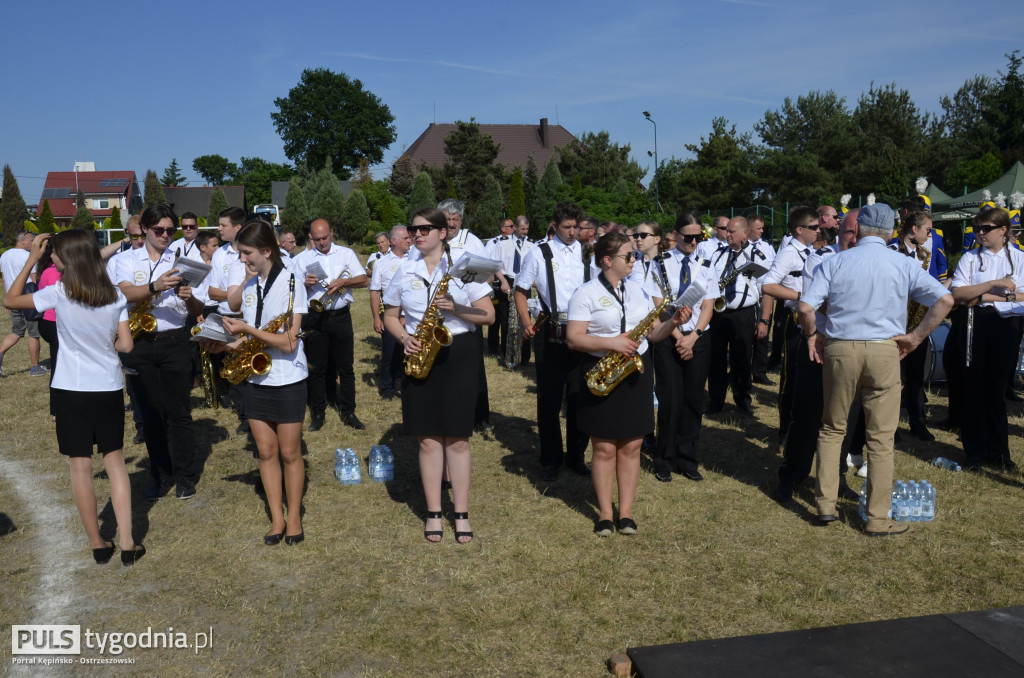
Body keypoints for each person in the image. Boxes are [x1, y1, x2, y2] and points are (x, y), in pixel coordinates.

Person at [799, 203, 951, 536]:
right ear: (892, 231)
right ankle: (878, 519)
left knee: (832, 428)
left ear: (861, 229)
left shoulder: (835, 260)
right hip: (885, 350)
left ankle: (825, 505)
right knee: (880, 440)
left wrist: (814, 336)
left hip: (841, 348)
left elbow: (806, 306)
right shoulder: (903, 263)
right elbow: (945, 300)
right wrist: (914, 337)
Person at [5, 231, 144, 564]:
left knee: (80, 468)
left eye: (54, 255)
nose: (51, 258)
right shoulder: (114, 295)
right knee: (115, 464)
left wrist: (30, 259)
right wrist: (104, 347)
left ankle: (97, 543)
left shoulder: (59, 292)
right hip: (107, 387)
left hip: (70, 389)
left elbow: (11, 300)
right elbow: (126, 345)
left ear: (68, 258)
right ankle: (127, 542)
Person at [382, 207, 494, 543]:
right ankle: (433, 512)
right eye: (414, 230)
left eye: (426, 229)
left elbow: (487, 315)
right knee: (428, 439)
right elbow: (390, 315)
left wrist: (457, 308)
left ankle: (460, 513)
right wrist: (404, 338)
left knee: (458, 439)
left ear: (443, 232)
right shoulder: (403, 268)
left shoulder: (466, 265)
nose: (418, 235)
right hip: (420, 351)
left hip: (458, 352)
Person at [568, 232, 691, 535]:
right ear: (607, 260)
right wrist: (612, 343)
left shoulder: (638, 291)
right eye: (628, 256)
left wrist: (672, 324)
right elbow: (574, 338)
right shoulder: (584, 293)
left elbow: (652, 334)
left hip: (636, 372)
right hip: (603, 369)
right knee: (604, 447)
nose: (634, 260)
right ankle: (605, 514)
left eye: (634, 255)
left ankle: (626, 513)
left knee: (633, 445)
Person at [206, 220, 308, 545]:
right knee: (266, 452)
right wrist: (222, 343)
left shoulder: (292, 282)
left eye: (247, 253)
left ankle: (294, 518)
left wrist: (247, 331)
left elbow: (290, 341)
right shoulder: (250, 286)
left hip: (288, 377)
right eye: (240, 253)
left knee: (290, 453)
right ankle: (276, 519)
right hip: (256, 379)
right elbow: (243, 325)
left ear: (267, 250)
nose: (242, 260)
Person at [114, 204, 204, 501]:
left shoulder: (184, 261)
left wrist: (189, 298)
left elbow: (197, 309)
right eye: (159, 230)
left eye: (170, 230)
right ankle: (160, 473)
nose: (165, 235)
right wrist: (155, 286)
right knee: (152, 414)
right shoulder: (126, 259)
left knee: (179, 412)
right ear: (144, 229)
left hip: (175, 340)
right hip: (140, 341)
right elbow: (125, 292)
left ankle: (185, 476)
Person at [515, 201, 593, 482]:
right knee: (549, 399)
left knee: (579, 397)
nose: (572, 232)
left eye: (576, 227)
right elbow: (520, 290)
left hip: (582, 332)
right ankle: (550, 459)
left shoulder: (588, 254)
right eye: (566, 227)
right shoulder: (539, 253)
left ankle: (576, 456)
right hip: (550, 331)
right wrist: (527, 322)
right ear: (555, 226)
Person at [949, 208, 1024, 472]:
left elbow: (1023, 296)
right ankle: (975, 452)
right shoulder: (970, 258)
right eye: (977, 228)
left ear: (1003, 230)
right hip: (974, 323)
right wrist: (994, 284)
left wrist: (983, 295)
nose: (980, 233)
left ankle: (999, 452)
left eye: (986, 228)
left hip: (1008, 324)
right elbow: (959, 292)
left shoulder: (1019, 258)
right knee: (974, 388)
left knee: (997, 390)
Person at [647, 214, 717, 482]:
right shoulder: (659, 264)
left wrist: (694, 336)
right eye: (688, 237)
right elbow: (658, 305)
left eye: (698, 237)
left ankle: (687, 458)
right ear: (675, 235)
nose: (694, 242)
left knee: (693, 401)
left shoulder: (707, 264)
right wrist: (679, 337)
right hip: (669, 337)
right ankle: (664, 459)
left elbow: (708, 305)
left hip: (698, 339)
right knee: (670, 401)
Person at [294, 218, 368, 431]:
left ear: (332, 233)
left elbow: (363, 280)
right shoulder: (302, 259)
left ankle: (349, 411)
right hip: (315, 318)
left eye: (325, 237)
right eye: (317, 239)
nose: (322, 242)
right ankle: (318, 413)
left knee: (346, 367)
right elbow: (293, 291)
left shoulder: (346, 254)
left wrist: (343, 282)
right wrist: (304, 284)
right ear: (311, 237)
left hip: (341, 316)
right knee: (316, 369)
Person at [761, 207, 821, 439]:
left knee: (806, 374)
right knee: (791, 376)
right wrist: (801, 297)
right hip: (791, 317)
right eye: (813, 227)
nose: (818, 231)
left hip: (807, 317)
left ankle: (801, 425)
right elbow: (768, 285)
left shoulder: (810, 252)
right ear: (799, 229)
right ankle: (786, 427)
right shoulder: (789, 253)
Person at [889, 211, 939, 441]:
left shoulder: (924, 255)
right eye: (928, 230)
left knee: (916, 376)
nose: (931, 234)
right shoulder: (891, 250)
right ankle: (889, 425)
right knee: (890, 377)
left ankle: (917, 421)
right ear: (914, 229)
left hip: (916, 323)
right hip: (894, 321)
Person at [706, 216, 761, 416]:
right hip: (719, 314)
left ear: (745, 233)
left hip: (743, 314)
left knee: (742, 358)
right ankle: (716, 400)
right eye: (726, 231)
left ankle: (742, 399)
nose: (727, 234)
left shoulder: (756, 256)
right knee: (716, 359)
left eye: (731, 231)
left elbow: (764, 287)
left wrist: (763, 319)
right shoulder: (718, 254)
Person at [369, 224, 412, 400]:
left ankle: (407, 382)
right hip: (391, 315)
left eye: (409, 238)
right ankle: (387, 387)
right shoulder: (381, 264)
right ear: (393, 241)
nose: (410, 240)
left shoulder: (415, 259)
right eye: (406, 238)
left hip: (412, 315)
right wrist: (376, 318)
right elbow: (375, 291)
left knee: (410, 351)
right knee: (389, 352)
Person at [0, 230, 47, 377]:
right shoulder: (29, 257)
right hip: (27, 298)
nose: (34, 243)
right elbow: (34, 279)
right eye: (31, 240)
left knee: (16, 331)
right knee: (34, 334)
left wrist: (7, 299)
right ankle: (35, 367)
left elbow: (4, 278)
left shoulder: (4, 255)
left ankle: (0, 353)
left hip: (13, 298)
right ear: (22, 241)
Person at [748, 215, 776, 385]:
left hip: (764, 297)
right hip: (748, 298)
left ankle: (759, 371)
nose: (762, 231)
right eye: (759, 228)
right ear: (749, 228)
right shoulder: (741, 247)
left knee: (763, 335)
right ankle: (740, 372)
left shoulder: (766, 246)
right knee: (745, 338)